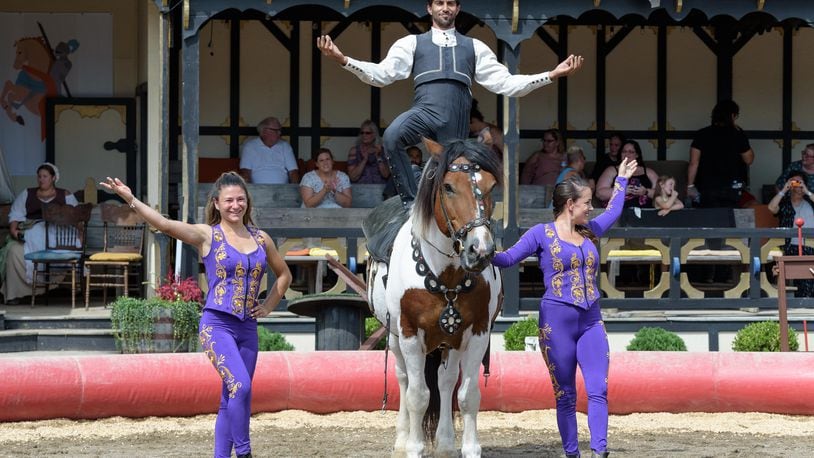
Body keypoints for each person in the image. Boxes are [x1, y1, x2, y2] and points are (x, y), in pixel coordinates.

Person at [317, 0, 584, 207]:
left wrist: (551, 75)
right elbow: (381, 75)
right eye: (439, 3)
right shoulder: (412, 43)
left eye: (450, 3)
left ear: (457, 8)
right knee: (392, 136)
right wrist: (344, 60)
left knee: (454, 183)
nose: (445, 8)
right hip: (424, 112)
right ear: (429, 8)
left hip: (455, 125)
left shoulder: (474, 47)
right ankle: (409, 203)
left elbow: (507, 83)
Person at [100, 172, 292, 458]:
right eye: (229, 200)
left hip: (247, 328)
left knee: (233, 397)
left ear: (247, 202)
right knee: (240, 385)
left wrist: (268, 305)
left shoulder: (261, 239)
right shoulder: (207, 235)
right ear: (216, 203)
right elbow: (164, 224)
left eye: (240, 199)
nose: (235, 205)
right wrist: (131, 199)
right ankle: (245, 452)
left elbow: (284, 275)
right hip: (216, 325)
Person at [491, 157, 638, 458]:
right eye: (587, 203)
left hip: (591, 320)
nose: (591, 208)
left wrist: (621, 180)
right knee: (566, 395)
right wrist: (479, 252)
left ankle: (599, 451)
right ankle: (573, 454)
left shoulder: (590, 230)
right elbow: (507, 259)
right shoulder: (540, 234)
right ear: (570, 204)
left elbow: (614, 210)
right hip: (556, 324)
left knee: (599, 387)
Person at [1, 162, 79, 305]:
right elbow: (15, 214)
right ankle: (15, 294)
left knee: (55, 245)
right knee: (13, 251)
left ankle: (48, 283)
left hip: (57, 234)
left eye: (45, 176)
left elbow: (76, 217)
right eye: (39, 176)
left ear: (53, 178)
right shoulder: (27, 193)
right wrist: (14, 230)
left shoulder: (65, 195)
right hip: (32, 233)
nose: (41, 179)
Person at [687, 99, 755, 208]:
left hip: (706, 186)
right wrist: (740, 133)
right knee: (730, 219)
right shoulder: (737, 134)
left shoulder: (702, 134)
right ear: (733, 115)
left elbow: (694, 163)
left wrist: (690, 186)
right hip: (732, 186)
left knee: (707, 219)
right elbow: (749, 159)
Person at [768, 172, 814, 297]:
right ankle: (803, 303)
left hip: (811, 247)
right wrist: (784, 189)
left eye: (799, 182)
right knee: (800, 275)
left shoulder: (810, 202)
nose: (796, 185)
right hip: (790, 247)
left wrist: (807, 191)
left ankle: (807, 302)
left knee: (809, 276)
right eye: (793, 181)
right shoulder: (785, 204)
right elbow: (772, 208)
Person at [596, 139, 658, 208]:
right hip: (619, 213)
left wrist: (646, 192)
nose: (626, 154)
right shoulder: (611, 170)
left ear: (637, 155)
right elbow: (600, 193)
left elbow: (662, 194)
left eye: (631, 152)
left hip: (646, 213)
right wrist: (621, 191)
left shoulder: (649, 172)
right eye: (624, 151)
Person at [239, 116, 300, 184]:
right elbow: (245, 172)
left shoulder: (285, 146)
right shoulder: (250, 147)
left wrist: (295, 190)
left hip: (282, 190)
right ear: (264, 131)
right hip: (258, 190)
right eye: (275, 130)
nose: (279, 133)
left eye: (280, 130)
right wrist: (250, 191)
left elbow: (293, 172)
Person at [346, 120, 389, 184]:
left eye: (367, 133)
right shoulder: (354, 151)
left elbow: (386, 175)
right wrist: (364, 159)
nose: (364, 135)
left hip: (380, 189)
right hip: (359, 189)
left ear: (374, 134)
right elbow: (353, 177)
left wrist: (378, 156)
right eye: (362, 133)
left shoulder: (383, 150)